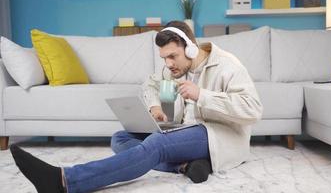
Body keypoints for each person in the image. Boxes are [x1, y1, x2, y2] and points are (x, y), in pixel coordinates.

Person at [10, 20, 263, 193]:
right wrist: (154, 107)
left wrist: (202, 95)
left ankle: (65, 181)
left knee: (156, 145)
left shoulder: (228, 65)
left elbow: (253, 110)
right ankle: (185, 166)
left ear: (191, 48)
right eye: (164, 58)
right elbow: (149, 84)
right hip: (188, 132)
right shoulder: (176, 69)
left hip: (217, 135)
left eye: (173, 56)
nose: (169, 64)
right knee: (121, 138)